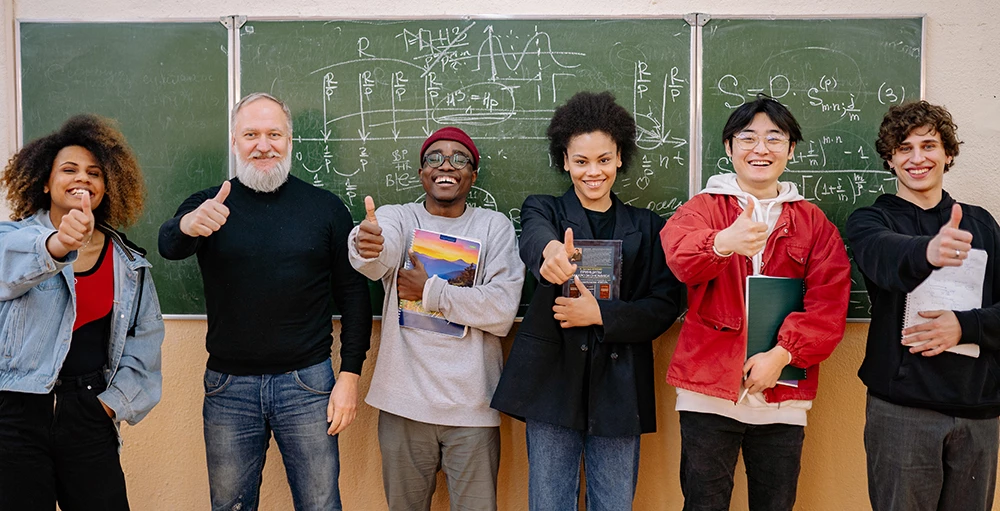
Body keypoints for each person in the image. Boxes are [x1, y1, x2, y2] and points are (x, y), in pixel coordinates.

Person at [158, 92, 372, 511]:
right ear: (235, 142)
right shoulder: (210, 205)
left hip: (308, 385)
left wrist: (349, 375)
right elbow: (169, 245)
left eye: (274, 134)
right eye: (251, 134)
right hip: (228, 388)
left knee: (320, 505)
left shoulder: (325, 208)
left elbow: (354, 295)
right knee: (230, 506)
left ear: (289, 141)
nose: (263, 145)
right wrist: (189, 223)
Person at [490, 91, 684, 510]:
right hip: (552, 379)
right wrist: (551, 255)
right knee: (548, 501)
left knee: (614, 502)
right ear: (564, 161)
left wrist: (601, 314)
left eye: (603, 159)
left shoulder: (648, 226)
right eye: (580, 161)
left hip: (619, 385)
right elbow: (535, 238)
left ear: (619, 158)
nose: (593, 172)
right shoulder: (543, 210)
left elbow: (666, 302)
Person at [661, 95, 851, 511]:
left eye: (773, 138)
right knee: (703, 504)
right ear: (729, 148)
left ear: (791, 149)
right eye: (747, 138)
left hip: (783, 397)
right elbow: (680, 258)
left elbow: (828, 304)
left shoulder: (814, 223)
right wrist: (722, 242)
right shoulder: (703, 209)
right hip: (708, 393)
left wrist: (782, 355)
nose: (760, 149)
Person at [349, 126, 523, 511]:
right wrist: (365, 242)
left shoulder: (494, 228)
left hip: (473, 409)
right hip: (404, 405)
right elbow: (376, 253)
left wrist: (431, 292)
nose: (446, 165)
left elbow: (500, 311)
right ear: (420, 171)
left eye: (459, 159)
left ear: (473, 175)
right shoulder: (398, 218)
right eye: (434, 158)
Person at [0, 114, 165, 510]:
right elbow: (10, 269)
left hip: (89, 412)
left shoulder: (129, 263)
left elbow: (144, 343)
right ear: (45, 181)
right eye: (69, 169)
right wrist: (57, 245)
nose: (82, 179)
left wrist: (108, 406)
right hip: (15, 413)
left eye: (94, 173)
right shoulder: (12, 239)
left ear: (107, 186)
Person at [846, 101, 1000, 511]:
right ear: (890, 159)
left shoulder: (982, 225)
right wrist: (928, 251)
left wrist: (965, 328)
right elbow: (883, 256)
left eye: (929, 145)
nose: (917, 158)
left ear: (948, 154)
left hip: (978, 412)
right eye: (904, 148)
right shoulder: (871, 221)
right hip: (902, 412)